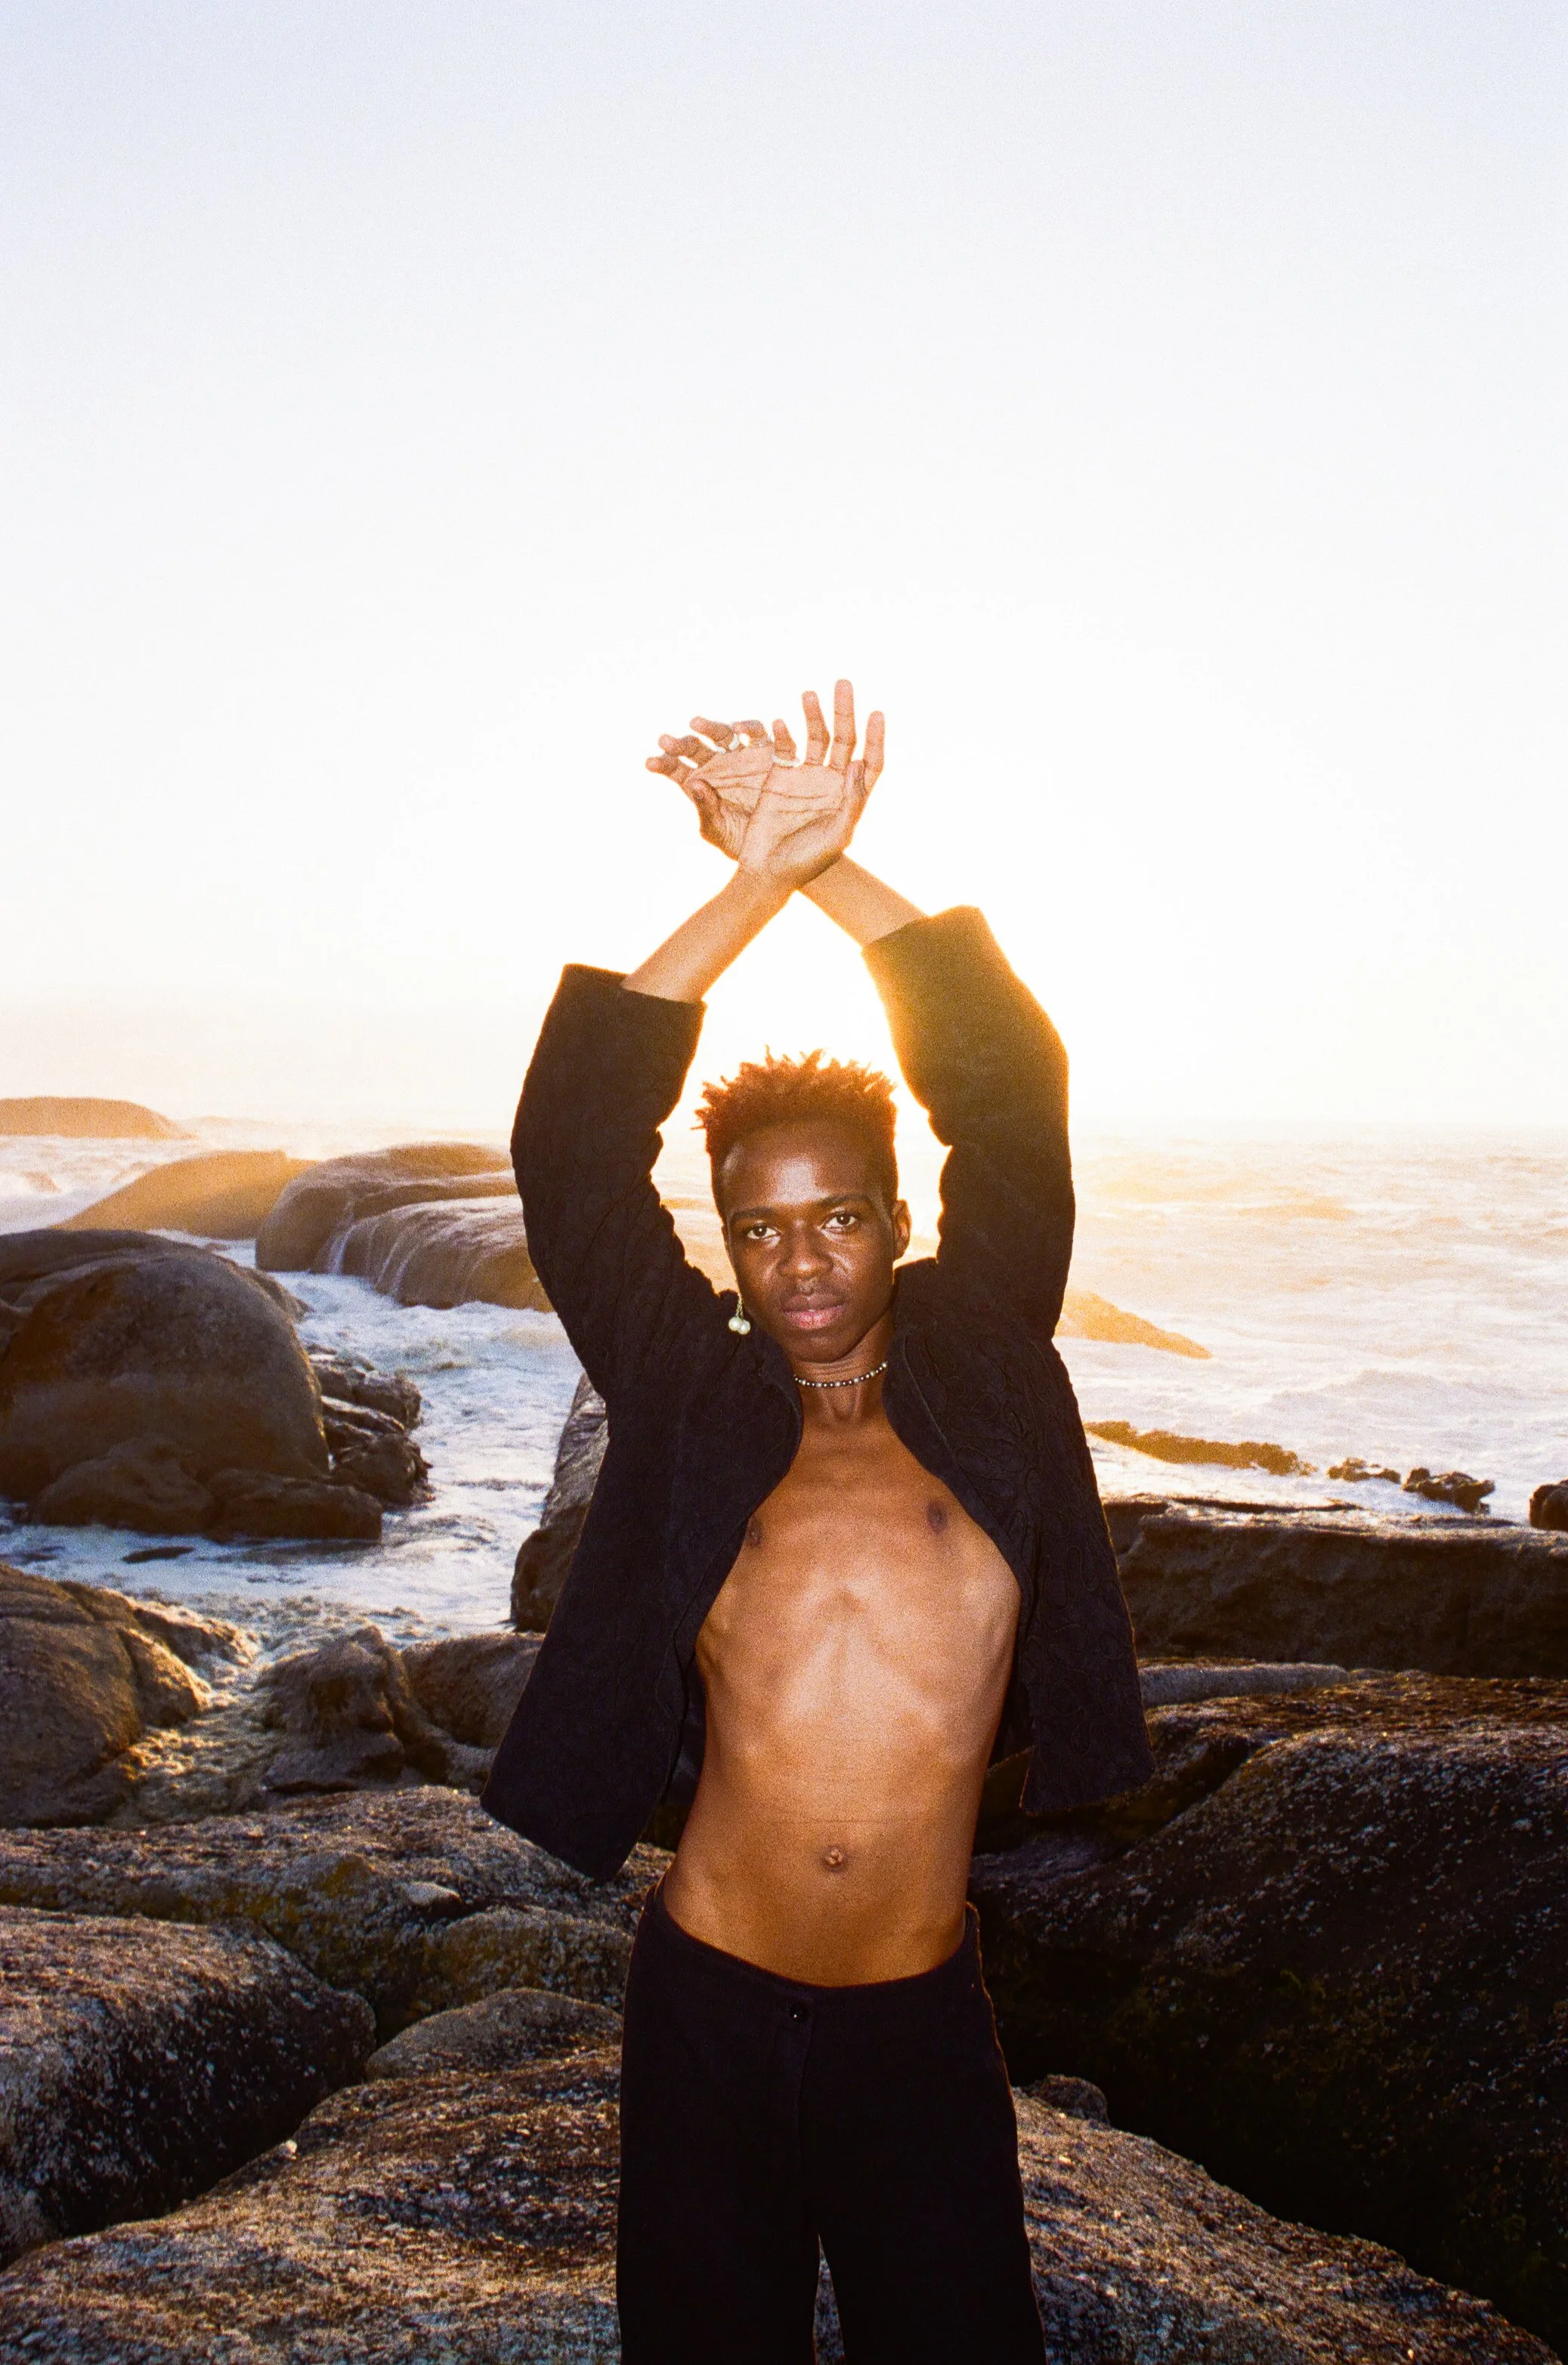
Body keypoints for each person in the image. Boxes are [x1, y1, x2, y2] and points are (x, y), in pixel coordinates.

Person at [482, 682, 1153, 2363]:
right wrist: (741, 888)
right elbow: (570, 1154)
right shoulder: (695, 1401)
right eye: (759, 1226)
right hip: (703, 1999)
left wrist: (837, 869)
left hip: (919, 2022)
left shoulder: (987, 1369)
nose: (799, 1261)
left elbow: (1012, 1090)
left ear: (895, 1217)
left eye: (836, 1215)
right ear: (725, 1240)